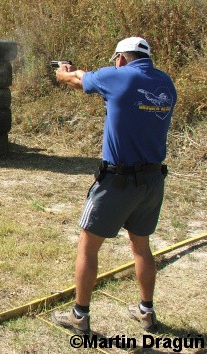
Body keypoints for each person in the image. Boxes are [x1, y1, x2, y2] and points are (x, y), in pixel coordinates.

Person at [50, 37, 177, 334]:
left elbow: (77, 80)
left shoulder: (115, 76)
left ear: (120, 58)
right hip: (153, 180)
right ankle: (147, 313)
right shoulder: (166, 84)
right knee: (141, 246)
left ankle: (80, 316)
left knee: (88, 246)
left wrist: (63, 72)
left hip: (118, 181)